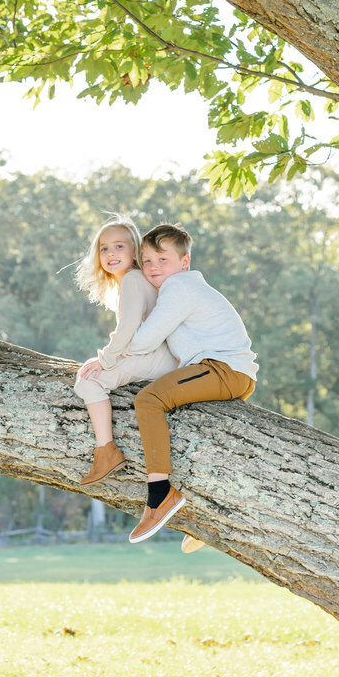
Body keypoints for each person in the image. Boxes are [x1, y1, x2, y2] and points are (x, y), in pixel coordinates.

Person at [122, 223, 257, 542]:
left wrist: (117, 349)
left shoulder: (179, 287)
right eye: (148, 260)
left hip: (222, 369)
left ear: (185, 262)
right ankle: (208, 514)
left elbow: (143, 342)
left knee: (148, 401)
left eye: (162, 259)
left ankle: (159, 495)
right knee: (184, 427)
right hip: (227, 373)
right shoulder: (183, 288)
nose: (153, 267)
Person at [72, 216, 179, 485]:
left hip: (158, 357)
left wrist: (106, 360)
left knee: (88, 383)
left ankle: (106, 451)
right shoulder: (132, 281)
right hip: (155, 355)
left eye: (119, 246)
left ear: (135, 251)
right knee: (89, 371)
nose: (111, 253)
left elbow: (129, 327)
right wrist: (106, 357)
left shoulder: (132, 279)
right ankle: (106, 452)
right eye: (104, 248)